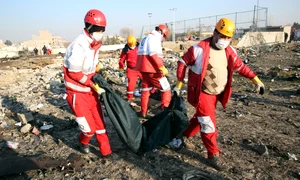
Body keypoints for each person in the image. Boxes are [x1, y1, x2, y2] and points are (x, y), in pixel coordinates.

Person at [173, 18, 265, 170]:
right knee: (208, 124)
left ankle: (185, 133)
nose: (224, 40)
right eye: (222, 36)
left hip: (217, 94)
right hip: (202, 93)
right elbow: (182, 62)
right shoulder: (199, 49)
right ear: (215, 33)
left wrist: (256, 80)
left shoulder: (230, 51)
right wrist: (179, 83)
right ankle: (212, 154)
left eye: (228, 38)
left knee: (201, 117)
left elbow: (241, 67)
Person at [63, 9, 112, 157]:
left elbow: (89, 65)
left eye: (102, 30)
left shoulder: (93, 43)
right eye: (98, 30)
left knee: (100, 124)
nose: (101, 33)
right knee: (89, 129)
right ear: (89, 28)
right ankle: (83, 142)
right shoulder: (79, 45)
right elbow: (74, 72)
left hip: (90, 92)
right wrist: (91, 84)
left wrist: (97, 68)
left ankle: (106, 151)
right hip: (77, 93)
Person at [136, 24, 171, 118]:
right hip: (153, 69)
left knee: (145, 90)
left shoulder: (145, 38)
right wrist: (161, 67)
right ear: (162, 32)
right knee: (166, 89)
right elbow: (153, 54)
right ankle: (165, 113)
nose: (163, 38)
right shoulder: (154, 38)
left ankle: (143, 112)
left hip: (143, 69)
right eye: (164, 36)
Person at [119, 35, 142, 102]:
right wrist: (121, 70)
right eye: (130, 45)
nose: (132, 47)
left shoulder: (140, 47)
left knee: (148, 81)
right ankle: (129, 98)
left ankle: (150, 93)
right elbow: (121, 60)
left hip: (140, 68)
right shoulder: (125, 50)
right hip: (131, 70)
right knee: (130, 85)